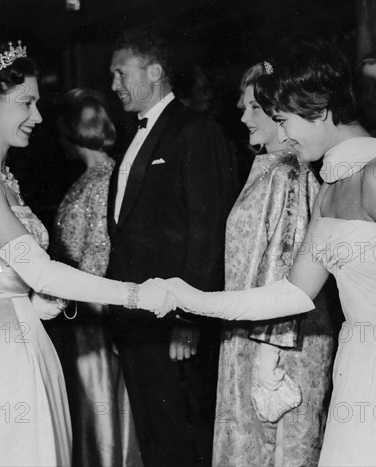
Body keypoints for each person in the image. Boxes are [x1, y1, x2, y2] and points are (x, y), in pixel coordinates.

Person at [153, 35, 376, 466]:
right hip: (357, 372)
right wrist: (189, 298)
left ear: (322, 110)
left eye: (284, 119)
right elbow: (292, 293)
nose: (283, 136)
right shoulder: (330, 190)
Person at [0, 41, 174, 466]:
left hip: (16, 330)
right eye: (27, 103)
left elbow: (10, 270)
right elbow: (41, 271)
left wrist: (36, 302)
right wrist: (137, 294)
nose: (38, 117)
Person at [107, 29, 236, 466]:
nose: (114, 85)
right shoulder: (134, 136)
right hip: (135, 318)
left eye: (121, 73)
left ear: (155, 71)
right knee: (153, 434)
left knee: (183, 435)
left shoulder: (197, 131)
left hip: (171, 321)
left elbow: (207, 229)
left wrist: (189, 316)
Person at [212, 62, 335, 466]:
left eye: (255, 108)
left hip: (280, 349)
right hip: (252, 338)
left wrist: (268, 359)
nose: (245, 117)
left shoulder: (289, 173)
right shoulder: (267, 168)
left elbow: (286, 263)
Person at [50, 88, 141, 467]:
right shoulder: (92, 177)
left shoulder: (105, 179)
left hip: (95, 317)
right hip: (83, 314)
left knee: (99, 412)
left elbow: (100, 256)